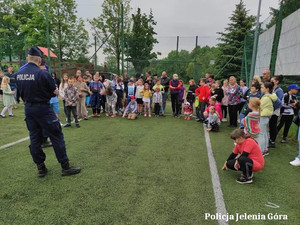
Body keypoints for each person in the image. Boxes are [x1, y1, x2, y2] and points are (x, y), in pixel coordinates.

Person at [15, 47, 80, 177]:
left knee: (34, 138)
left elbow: (18, 95)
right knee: (56, 135)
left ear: (28, 58)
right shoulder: (43, 73)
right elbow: (54, 92)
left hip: (29, 109)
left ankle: (41, 168)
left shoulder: (18, 73)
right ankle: (65, 166)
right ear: (39, 59)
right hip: (43, 109)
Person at [257, 82, 277, 156]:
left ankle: (261, 151)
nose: (261, 89)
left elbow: (260, 107)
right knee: (265, 133)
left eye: (262, 87)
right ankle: (265, 149)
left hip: (263, 116)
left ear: (267, 89)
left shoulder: (266, 98)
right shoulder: (268, 96)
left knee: (261, 134)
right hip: (265, 116)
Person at [269, 75, 284, 148]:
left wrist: (272, 108)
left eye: (272, 80)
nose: (271, 82)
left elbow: (279, 102)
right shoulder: (272, 89)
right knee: (269, 125)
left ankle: (273, 141)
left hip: (275, 111)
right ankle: (269, 139)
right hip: (270, 110)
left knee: (273, 126)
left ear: (277, 81)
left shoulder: (279, 90)